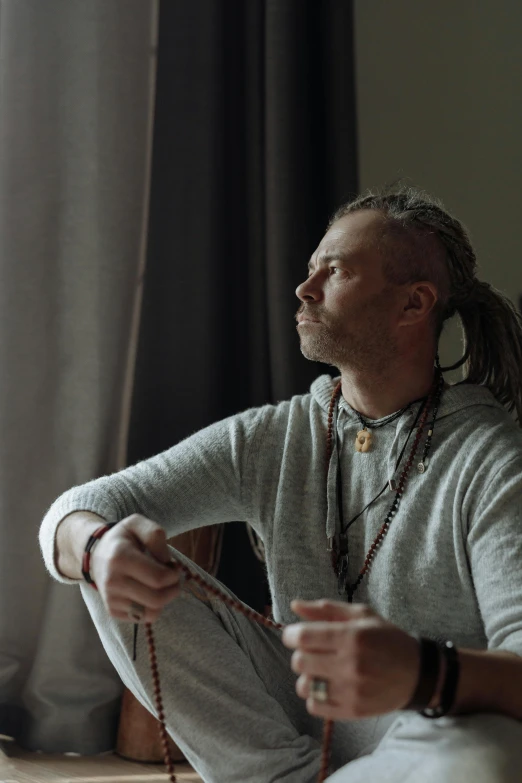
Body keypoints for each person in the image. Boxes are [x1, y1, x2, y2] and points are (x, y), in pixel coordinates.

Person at [39, 185, 522, 782]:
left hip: (423, 728)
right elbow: (81, 506)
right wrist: (95, 547)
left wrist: (424, 670)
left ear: (413, 304)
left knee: (489, 751)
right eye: (310, 267)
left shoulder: (490, 457)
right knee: (112, 560)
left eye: (335, 270)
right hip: (291, 713)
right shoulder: (277, 434)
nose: (304, 288)